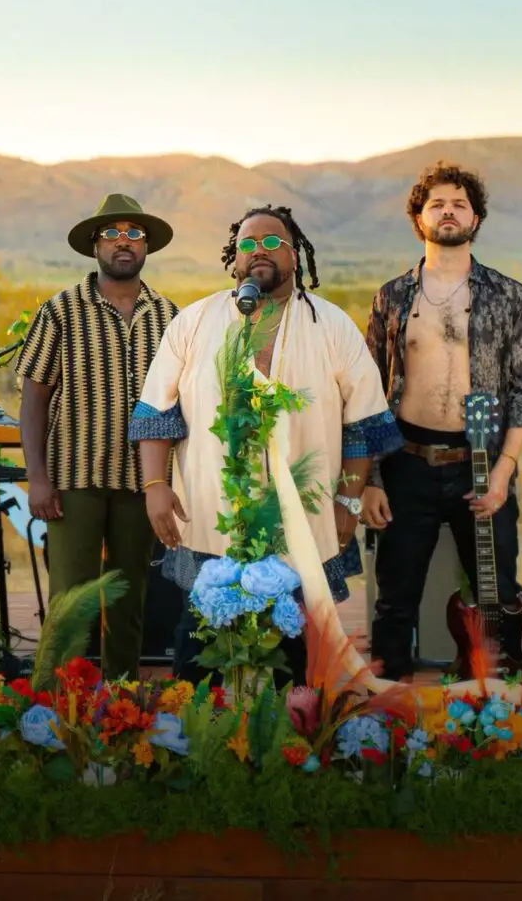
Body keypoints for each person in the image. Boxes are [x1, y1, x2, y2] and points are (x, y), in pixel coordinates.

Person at [128, 204, 402, 684]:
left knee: (294, 650)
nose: (259, 250)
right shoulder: (194, 322)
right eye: (247, 244)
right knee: (198, 644)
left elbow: (361, 423)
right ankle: (198, 742)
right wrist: (154, 484)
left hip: (303, 513)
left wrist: (349, 499)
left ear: (295, 255)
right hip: (211, 512)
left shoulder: (331, 325)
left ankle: (290, 748)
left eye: (272, 241)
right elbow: (157, 412)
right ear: (233, 259)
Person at [363, 162, 522, 681]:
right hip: (407, 464)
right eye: (437, 203)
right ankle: (384, 719)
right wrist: (371, 480)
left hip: (482, 464)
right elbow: (370, 395)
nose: (448, 210)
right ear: (418, 218)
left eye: (460, 203)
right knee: (395, 600)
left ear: (477, 217)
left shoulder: (508, 295)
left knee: (498, 596)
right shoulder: (393, 297)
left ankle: (490, 713)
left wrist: (505, 474)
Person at [15, 193, 179, 681]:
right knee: (70, 600)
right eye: (112, 234)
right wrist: (37, 479)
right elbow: (33, 399)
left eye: (134, 234)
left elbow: (180, 403)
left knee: (128, 600)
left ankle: (120, 703)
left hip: (142, 486)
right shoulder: (61, 311)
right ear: (94, 246)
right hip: (74, 481)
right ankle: (48, 707)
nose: (124, 242)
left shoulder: (169, 316)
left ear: (146, 246)